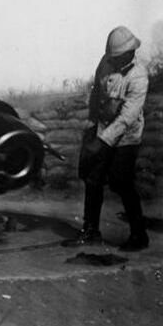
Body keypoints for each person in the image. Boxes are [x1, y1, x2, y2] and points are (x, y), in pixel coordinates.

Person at [63, 25, 149, 251]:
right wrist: (92, 124)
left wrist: (101, 143)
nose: (118, 60)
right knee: (92, 179)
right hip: (102, 128)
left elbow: (127, 117)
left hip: (126, 137)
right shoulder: (105, 62)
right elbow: (96, 93)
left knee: (121, 182)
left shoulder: (138, 76)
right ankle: (91, 231)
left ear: (131, 52)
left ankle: (139, 235)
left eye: (122, 56)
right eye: (115, 56)